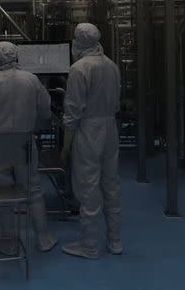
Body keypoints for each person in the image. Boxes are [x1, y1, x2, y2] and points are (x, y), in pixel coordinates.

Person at [0, 42, 59, 255]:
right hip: (24, 141)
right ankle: (42, 237)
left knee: (1, 193)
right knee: (33, 190)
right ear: (16, 56)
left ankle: (9, 241)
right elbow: (45, 111)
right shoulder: (31, 80)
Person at [61, 23, 122, 259]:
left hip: (88, 130)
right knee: (111, 184)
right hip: (110, 128)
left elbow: (72, 112)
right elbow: (116, 103)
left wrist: (66, 147)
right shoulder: (112, 66)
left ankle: (89, 246)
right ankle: (115, 241)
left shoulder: (79, 69)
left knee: (88, 188)